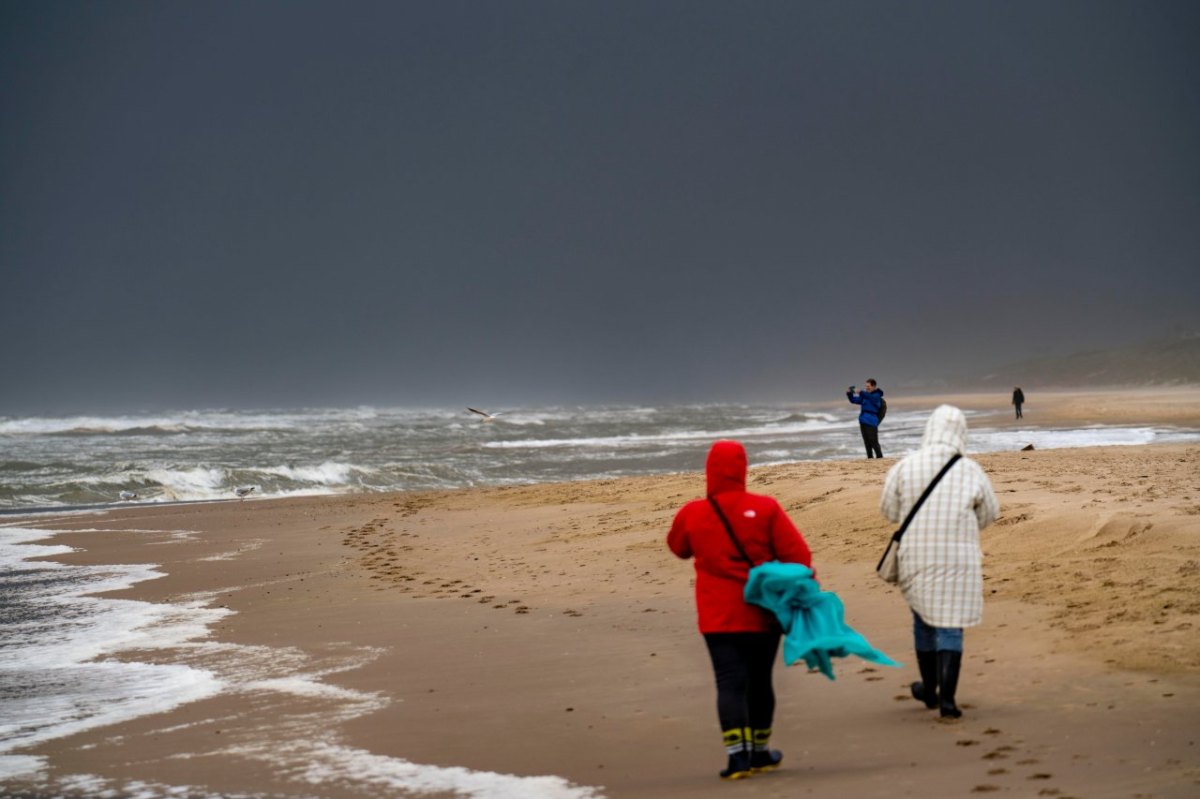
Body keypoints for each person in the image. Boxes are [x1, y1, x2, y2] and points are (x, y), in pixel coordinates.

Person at [667, 440, 815, 780]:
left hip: (716, 615)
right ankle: (761, 752)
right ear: (742, 469)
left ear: (709, 471)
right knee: (760, 681)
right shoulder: (766, 508)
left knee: (729, 683)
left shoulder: (693, 512)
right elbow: (799, 557)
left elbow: (678, 548)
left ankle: (737, 759)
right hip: (763, 613)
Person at [879, 405, 999, 719]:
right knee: (951, 623)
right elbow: (989, 515)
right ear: (962, 432)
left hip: (916, 555)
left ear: (929, 429)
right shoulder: (971, 469)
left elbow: (889, 511)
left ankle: (929, 689)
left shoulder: (906, 466)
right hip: (959, 557)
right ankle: (948, 700)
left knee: (923, 619)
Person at [847, 379, 885, 458]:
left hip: (871, 421)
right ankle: (870, 458)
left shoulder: (877, 395)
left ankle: (880, 457)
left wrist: (861, 392)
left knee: (873, 441)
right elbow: (854, 400)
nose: (866, 388)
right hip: (863, 420)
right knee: (867, 442)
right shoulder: (865, 395)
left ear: (873, 386)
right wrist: (849, 394)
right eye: (866, 386)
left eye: (868, 386)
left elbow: (872, 398)